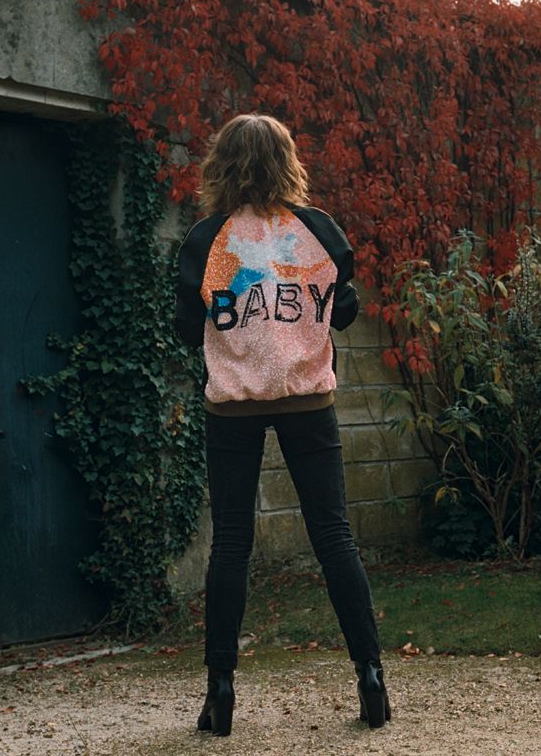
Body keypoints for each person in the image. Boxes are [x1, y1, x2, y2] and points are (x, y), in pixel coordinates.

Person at [174, 113, 391, 736]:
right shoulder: (318, 231)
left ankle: (220, 691)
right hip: (308, 404)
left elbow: (189, 332)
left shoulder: (207, 239)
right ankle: (370, 675)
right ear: (286, 162)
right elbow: (344, 313)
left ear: (223, 165)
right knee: (333, 536)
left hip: (232, 409)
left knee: (233, 544)